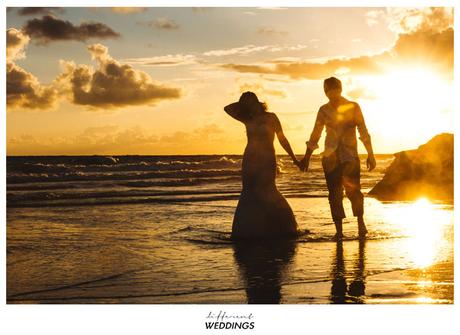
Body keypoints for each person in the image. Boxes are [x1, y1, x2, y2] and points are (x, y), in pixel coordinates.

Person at [299, 77, 376, 240]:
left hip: (350, 157)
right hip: (330, 158)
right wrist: (307, 157)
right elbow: (316, 134)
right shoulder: (323, 110)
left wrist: (371, 154)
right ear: (325, 92)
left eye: (334, 89)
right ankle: (339, 231)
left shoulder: (353, 107)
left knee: (354, 192)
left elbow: (363, 131)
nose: (331, 93)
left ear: (340, 89)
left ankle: (361, 225)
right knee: (334, 195)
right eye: (328, 90)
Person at [225, 92, 299, 240]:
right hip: (250, 160)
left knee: (269, 190)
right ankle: (245, 231)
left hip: (267, 159)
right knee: (249, 192)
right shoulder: (246, 118)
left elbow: (282, 139)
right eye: (246, 104)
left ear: (257, 102)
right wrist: (243, 106)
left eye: (251, 103)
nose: (249, 106)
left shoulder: (271, 117)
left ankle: (286, 227)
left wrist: (294, 159)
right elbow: (227, 109)